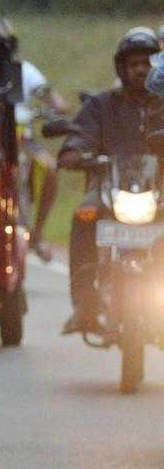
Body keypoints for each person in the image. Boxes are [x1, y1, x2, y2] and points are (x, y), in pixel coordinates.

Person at [59, 27, 164, 334]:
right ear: (122, 67)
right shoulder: (102, 104)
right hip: (109, 192)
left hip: (159, 191)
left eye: (147, 62)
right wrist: (74, 151)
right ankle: (85, 302)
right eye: (134, 64)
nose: (141, 69)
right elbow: (81, 133)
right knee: (84, 214)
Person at [16, 57, 69, 262]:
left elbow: (49, 96)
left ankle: (37, 233)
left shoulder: (23, 69)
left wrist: (56, 105)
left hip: (22, 138)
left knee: (50, 168)